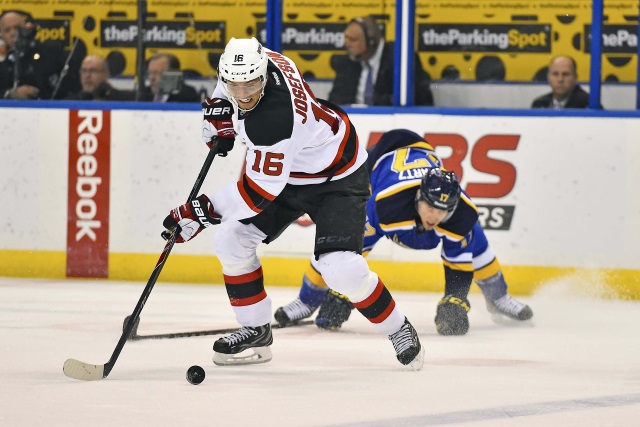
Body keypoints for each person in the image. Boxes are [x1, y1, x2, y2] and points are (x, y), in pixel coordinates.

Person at [161, 37, 424, 369]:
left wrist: (200, 211)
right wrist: (218, 108)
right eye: (234, 85)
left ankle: (398, 327)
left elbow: (254, 195)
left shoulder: (274, 122)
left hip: (336, 175)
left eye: (251, 84)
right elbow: (230, 79)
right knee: (230, 240)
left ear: (264, 77)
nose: (243, 94)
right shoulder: (263, 60)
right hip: (293, 167)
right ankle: (255, 329)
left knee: (340, 269)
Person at [274, 129, 533, 336]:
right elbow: (347, 252)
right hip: (379, 161)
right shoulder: (386, 206)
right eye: (429, 207)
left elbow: (458, 266)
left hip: (420, 154)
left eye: (442, 210)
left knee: (475, 241)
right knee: (337, 243)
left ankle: (499, 297)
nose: (434, 216)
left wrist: (455, 299)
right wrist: (344, 291)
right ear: (418, 198)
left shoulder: (461, 214)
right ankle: (306, 301)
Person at [328, 16, 433, 106]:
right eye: (346, 38)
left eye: (353, 40)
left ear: (371, 41)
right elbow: (335, 100)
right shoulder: (348, 62)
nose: (347, 44)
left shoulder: (400, 58)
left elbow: (419, 99)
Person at [0, 10, 80, 100]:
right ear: (2, 36)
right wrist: (10, 93)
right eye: (7, 30)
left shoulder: (50, 54)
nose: (13, 33)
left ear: (27, 27)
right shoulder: (3, 65)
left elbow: (70, 86)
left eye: (17, 27)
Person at [66, 55, 133, 101]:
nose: (87, 75)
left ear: (106, 74)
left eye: (93, 71)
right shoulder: (70, 103)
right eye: (84, 71)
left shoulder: (125, 100)